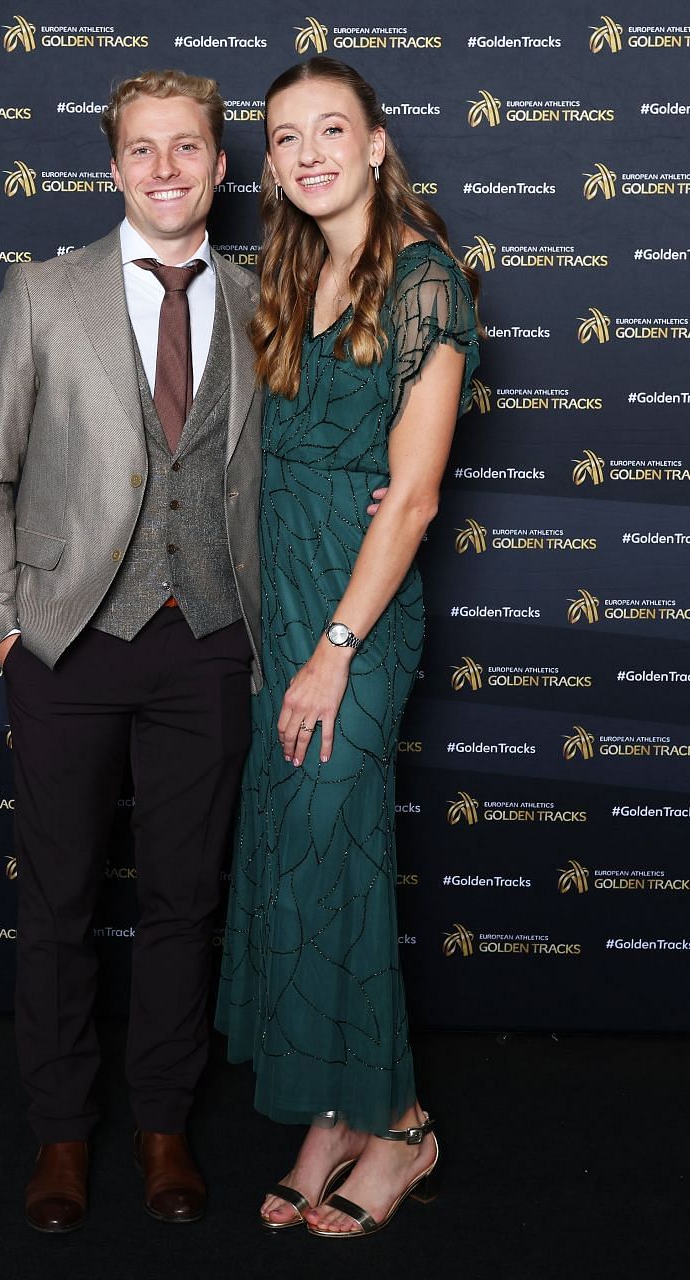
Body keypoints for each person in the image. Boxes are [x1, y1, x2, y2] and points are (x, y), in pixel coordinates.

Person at [0, 69, 261, 1234]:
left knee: (186, 900)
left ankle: (165, 1124)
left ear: (222, 168)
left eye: (189, 149)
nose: (167, 169)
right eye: (143, 150)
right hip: (69, 643)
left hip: (214, 642)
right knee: (61, 904)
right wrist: (6, 622)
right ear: (115, 165)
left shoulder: (259, 297)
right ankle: (63, 1133)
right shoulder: (41, 294)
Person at [214, 56, 479, 1240]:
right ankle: (333, 1108)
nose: (309, 151)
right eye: (285, 136)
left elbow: (413, 498)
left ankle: (404, 1122)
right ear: (267, 161)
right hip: (287, 602)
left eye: (333, 128)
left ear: (377, 142)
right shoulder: (291, 270)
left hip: (354, 620)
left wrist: (331, 648)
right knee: (292, 860)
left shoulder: (425, 280)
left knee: (339, 846)